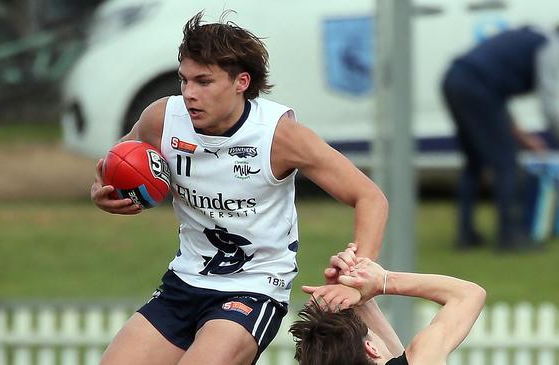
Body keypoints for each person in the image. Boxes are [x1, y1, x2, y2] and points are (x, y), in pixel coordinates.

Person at [90, 11, 389, 365]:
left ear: (241, 82)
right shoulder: (162, 118)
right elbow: (117, 163)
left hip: (255, 288)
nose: (189, 94)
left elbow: (370, 196)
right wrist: (103, 191)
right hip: (184, 281)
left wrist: (354, 282)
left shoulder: (279, 136)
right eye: (184, 81)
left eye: (204, 81)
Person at [441, 25, 559, 251]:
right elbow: (551, 104)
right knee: (507, 163)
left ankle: (466, 235)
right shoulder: (551, 48)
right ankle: (511, 236)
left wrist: (523, 137)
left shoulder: (532, 37)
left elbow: (496, 100)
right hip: (475, 86)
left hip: (455, 80)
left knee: (474, 162)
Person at [290, 255, 486, 365]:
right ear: (371, 348)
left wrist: (354, 292)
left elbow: (397, 358)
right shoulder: (421, 358)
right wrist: (383, 281)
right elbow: (468, 295)